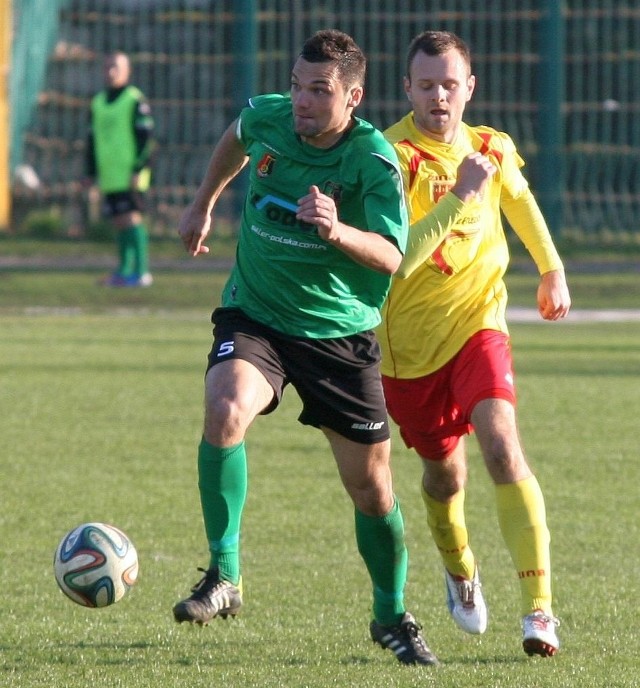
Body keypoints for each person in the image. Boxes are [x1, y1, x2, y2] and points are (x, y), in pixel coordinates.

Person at [171, 30, 438, 667]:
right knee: (225, 408)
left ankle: (390, 614)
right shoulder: (271, 116)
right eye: (297, 85)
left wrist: (336, 228)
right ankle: (225, 575)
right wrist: (202, 203)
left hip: (337, 336)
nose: (301, 102)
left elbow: (393, 255)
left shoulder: (372, 159)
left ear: (353, 97)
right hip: (258, 316)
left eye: (318, 91)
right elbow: (237, 136)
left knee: (373, 491)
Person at [378, 30, 571, 658]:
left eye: (450, 85)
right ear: (408, 89)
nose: (439, 96)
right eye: (426, 85)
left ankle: (539, 611)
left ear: (470, 89)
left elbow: (519, 200)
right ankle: (460, 568)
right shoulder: (388, 156)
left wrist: (551, 267)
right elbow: (398, 260)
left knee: (501, 444)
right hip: (407, 352)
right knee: (443, 477)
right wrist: (460, 195)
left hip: (479, 324)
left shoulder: (491, 146)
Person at [85, 51, 155, 287]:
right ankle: (124, 271)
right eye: (107, 67)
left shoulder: (134, 100)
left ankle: (142, 272)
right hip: (110, 174)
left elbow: (146, 138)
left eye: (116, 67)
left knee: (132, 218)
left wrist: (138, 168)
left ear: (128, 71)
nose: (111, 71)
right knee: (118, 221)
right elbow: (92, 141)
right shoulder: (97, 102)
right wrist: (90, 172)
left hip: (130, 173)